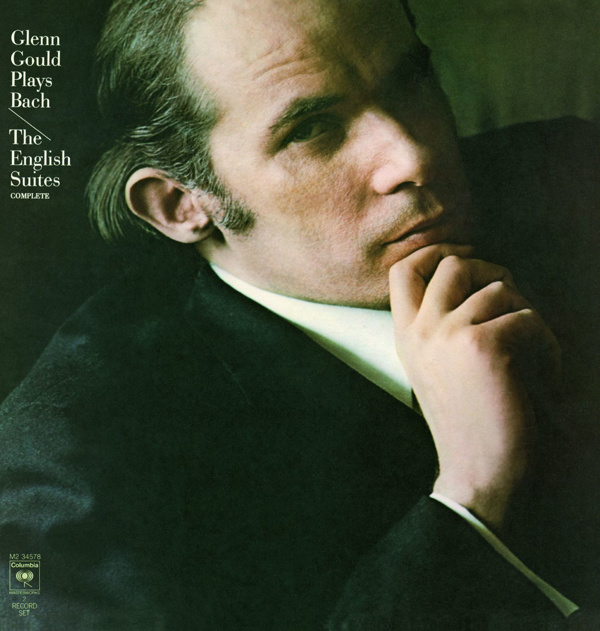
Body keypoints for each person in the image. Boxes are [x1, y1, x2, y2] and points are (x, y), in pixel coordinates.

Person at [1, 0, 599, 628]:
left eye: (409, 80)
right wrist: (472, 496)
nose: (414, 157)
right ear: (181, 205)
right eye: (312, 129)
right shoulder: (74, 477)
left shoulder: (568, 175)